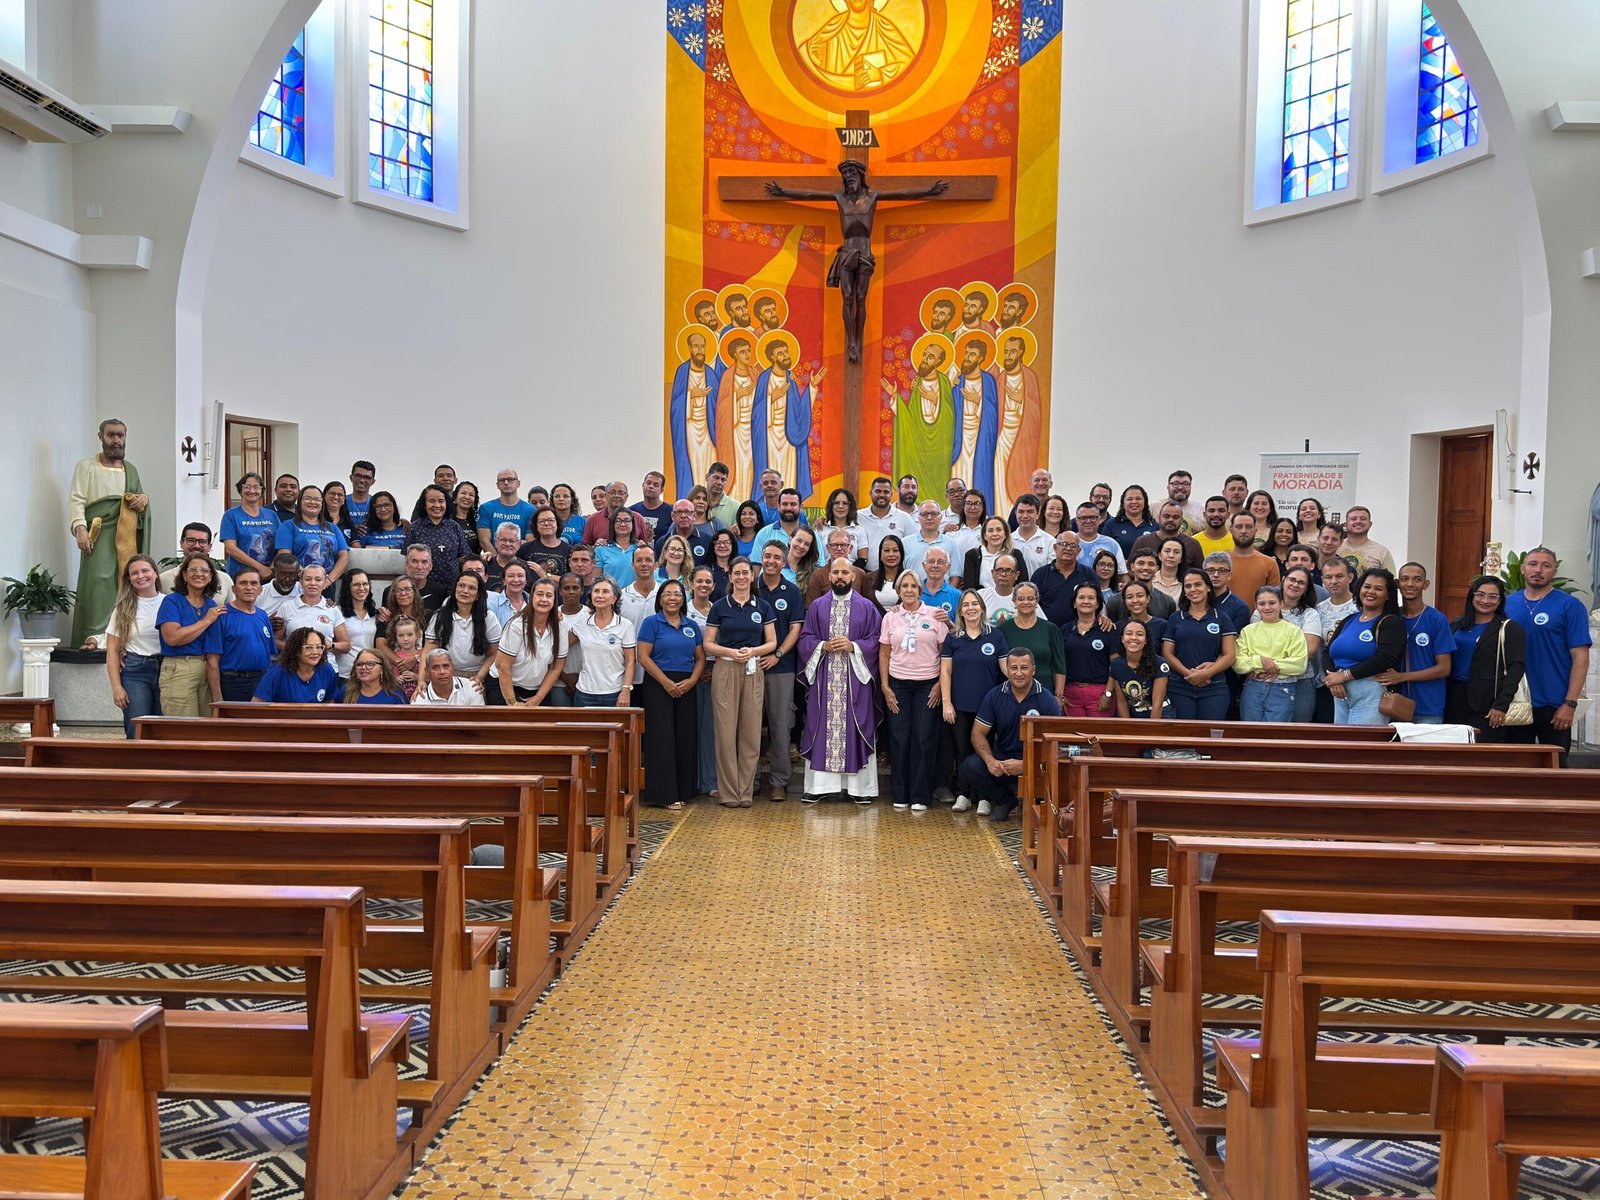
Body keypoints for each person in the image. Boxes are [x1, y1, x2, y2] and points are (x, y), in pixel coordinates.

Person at [796, 559, 884, 805]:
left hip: (856, 679)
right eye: (835, 572)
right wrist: (822, 645)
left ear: (853, 576)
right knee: (820, 725)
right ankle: (819, 787)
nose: (840, 576)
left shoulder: (867, 607)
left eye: (845, 572)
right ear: (829, 576)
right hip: (824, 679)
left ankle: (860, 789)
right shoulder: (817, 607)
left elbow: (877, 640)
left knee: (857, 725)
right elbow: (805, 639)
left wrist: (854, 646)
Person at [1505, 546, 1592, 763]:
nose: (1538, 570)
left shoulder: (1570, 605)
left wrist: (1570, 703)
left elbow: (1580, 657)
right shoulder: (1507, 603)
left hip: (1554, 703)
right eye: (1533, 564)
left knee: (1555, 768)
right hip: (1514, 701)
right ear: (1523, 569)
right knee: (1514, 768)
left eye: (1546, 565)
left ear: (1554, 572)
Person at [69, 418, 151, 647]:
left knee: (125, 581)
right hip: (99, 533)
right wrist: (79, 527)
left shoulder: (130, 469)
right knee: (98, 581)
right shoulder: (86, 466)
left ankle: (120, 635)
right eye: (111, 435)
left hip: (127, 536)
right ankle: (94, 635)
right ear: (101, 437)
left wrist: (143, 500)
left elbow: (139, 498)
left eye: (120, 435)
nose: (116, 440)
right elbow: (77, 499)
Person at [705, 558, 777, 807]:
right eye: (737, 573)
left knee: (751, 732)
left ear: (752, 575)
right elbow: (708, 643)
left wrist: (753, 651)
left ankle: (745, 792)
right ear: (730, 576)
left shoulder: (763, 606)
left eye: (745, 573)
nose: (741, 577)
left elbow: (772, 642)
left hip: (752, 668)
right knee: (725, 733)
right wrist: (731, 652)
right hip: (726, 667)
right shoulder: (719, 606)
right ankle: (728, 793)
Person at [961, 649, 1062, 819]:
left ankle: (1034, 801)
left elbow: (1057, 744)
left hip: (1036, 762)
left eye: (1024, 668)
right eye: (1014, 668)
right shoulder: (994, 695)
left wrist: (1026, 764)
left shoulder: (1047, 700)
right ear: (1007, 670)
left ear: (1034, 670)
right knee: (971, 766)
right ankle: (1006, 800)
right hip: (1003, 762)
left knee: (1056, 770)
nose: (1019, 673)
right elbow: (977, 733)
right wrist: (990, 760)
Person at [879, 570, 947, 812]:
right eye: (904, 586)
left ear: (921, 590)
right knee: (899, 739)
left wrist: (940, 685)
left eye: (913, 586)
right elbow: (884, 653)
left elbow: (945, 654)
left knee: (923, 738)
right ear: (898, 591)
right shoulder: (890, 617)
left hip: (928, 685)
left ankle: (920, 795)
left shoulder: (934, 615)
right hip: (898, 684)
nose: (909, 590)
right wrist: (885, 686)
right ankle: (900, 793)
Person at [637, 580, 706, 809]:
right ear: (660, 599)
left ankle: (684, 790)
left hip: (686, 685)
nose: (672, 598)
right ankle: (664, 794)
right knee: (662, 737)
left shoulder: (691, 625)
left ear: (683, 599)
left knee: (685, 736)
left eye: (677, 594)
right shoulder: (651, 623)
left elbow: (700, 658)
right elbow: (643, 656)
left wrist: (693, 680)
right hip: (658, 684)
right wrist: (665, 682)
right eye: (667, 594)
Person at [940, 590, 1008, 810]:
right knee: (962, 751)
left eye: (975, 604)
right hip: (959, 705)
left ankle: (985, 797)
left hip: (987, 708)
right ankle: (963, 794)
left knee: (985, 751)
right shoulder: (953, 638)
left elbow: (1006, 669)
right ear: (960, 611)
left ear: (982, 608)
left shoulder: (995, 636)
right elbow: (946, 672)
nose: (971, 608)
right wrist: (947, 703)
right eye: (966, 605)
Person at [1446, 575, 1527, 740]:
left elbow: (1516, 668)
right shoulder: (1456, 624)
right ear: (1472, 596)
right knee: (1452, 749)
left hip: (1487, 703)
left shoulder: (1509, 628)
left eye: (1492, 596)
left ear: (1500, 601)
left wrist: (1501, 705)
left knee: (1481, 751)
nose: (1485, 600)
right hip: (1453, 697)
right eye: (1480, 594)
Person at [1323, 567, 1405, 725]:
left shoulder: (1390, 622)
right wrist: (1333, 679)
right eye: (1367, 586)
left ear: (1388, 595)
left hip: (1371, 694)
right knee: (1340, 740)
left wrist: (1345, 676)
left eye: (1378, 589)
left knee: (1362, 740)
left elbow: (1384, 659)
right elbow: (1326, 653)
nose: (1371, 592)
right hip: (1340, 694)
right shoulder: (1349, 620)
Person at [1377, 562, 1456, 724]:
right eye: (1404, 579)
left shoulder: (1437, 619)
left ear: (1425, 584)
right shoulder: (1390, 618)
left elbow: (1444, 668)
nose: (1410, 584)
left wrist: (1401, 677)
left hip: (1428, 707)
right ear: (1397, 584)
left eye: (1417, 579)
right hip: (1393, 703)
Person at [755, 544, 804, 801]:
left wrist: (778, 654)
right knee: (750, 726)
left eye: (777, 557)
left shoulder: (792, 591)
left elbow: (795, 629)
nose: (771, 561)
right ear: (761, 558)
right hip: (750, 666)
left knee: (781, 724)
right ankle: (750, 780)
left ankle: (779, 781)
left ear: (784, 562)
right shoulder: (750, 586)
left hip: (781, 667)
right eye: (767, 556)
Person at [1162, 568, 1238, 720]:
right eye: (1188, 586)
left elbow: (1229, 655)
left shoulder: (1222, 618)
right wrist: (1189, 674)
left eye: (1198, 584)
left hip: (1214, 687)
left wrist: (1207, 674)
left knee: (1211, 732)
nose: (1193, 589)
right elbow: (1167, 653)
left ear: (1208, 587)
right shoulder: (1175, 618)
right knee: (1183, 732)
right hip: (1180, 686)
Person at [156, 552, 224, 716]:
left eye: (204, 570)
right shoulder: (172, 601)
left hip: (205, 670)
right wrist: (206, 621)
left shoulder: (211, 604)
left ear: (211, 577)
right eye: (193, 570)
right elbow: (172, 638)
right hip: (179, 668)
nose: (199, 574)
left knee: (205, 725)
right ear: (184, 576)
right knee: (183, 726)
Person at [104, 554, 164, 737]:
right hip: (136, 671)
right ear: (129, 579)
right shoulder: (123, 608)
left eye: (145, 570)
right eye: (134, 573)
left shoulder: (170, 602)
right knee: (137, 729)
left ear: (155, 573)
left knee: (164, 729)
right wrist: (116, 687)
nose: (140, 576)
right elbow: (112, 650)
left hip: (168, 669)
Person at [1233, 586, 1307, 722]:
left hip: (1282, 689)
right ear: (1256, 606)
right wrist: (1260, 661)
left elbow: (1299, 665)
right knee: (1250, 732)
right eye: (1262, 604)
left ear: (1281, 604)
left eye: (1272, 603)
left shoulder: (1294, 631)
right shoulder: (1247, 631)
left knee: (1275, 733)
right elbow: (1238, 664)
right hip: (1253, 688)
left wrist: (1266, 665)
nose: (1267, 607)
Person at [424, 571, 501, 694]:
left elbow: (494, 653)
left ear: (478, 594)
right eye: (461, 585)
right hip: (446, 673)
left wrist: (479, 677)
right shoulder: (440, 616)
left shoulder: (488, 617)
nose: (465, 591)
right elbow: (428, 650)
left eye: (471, 588)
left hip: (478, 675)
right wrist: (421, 680)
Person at [495, 578, 569, 706]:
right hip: (504, 685)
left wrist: (538, 698)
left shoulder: (561, 626)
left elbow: (556, 667)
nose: (544, 599)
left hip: (538, 689)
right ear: (531, 598)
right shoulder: (516, 626)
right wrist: (512, 703)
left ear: (555, 600)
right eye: (539, 594)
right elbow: (503, 667)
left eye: (549, 595)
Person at [569, 578, 637, 707]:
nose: (599, 595)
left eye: (605, 591)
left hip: (615, 693)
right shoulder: (582, 623)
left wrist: (626, 690)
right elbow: (561, 645)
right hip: (585, 693)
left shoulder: (625, 625)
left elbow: (631, 661)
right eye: (596, 591)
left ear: (614, 598)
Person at [1270, 567, 1325, 722]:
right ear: (1283, 580)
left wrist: (1270, 663)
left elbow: (1310, 650)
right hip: (1267, 679)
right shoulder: (1266, 608)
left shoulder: (1310, 614)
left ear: (1306, 589)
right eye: (1292, 580)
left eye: (1301, 583)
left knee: (1298, 730)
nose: (1295, 584)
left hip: (1301, 682)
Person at [998, 581, 1067, 701]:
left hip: (1045, 693)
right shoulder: (1003, 630)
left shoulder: (1050, 629)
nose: (1026, 602)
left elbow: (1059, 666)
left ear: (1037, 601)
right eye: (1021, 599)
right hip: (1011, 695)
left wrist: (1058, 696)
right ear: (1014, 602)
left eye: (1030, 598)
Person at [216, 566, 276, 703]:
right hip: (233, 683)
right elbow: (212, 660)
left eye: (254, 583)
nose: (249, 587)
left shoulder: (263, 615)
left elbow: (269, 654)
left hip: (262, 682)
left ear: (260, 589)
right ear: (234, 589)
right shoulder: (222, 615)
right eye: (243, 583)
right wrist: (217, 698)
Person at [685, 566, 720, 795]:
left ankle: (709, 782)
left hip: (714, 672)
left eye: (708, 582)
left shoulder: (718, 610)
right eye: (699, 581)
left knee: (710, 730)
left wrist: (715, 667)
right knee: (690, 728)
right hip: (688, 673)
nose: (704, 585)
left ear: (714, 586)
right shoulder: (684, 610)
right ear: (691, 583)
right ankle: (691, 780)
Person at [1054, 582, 1114, 716]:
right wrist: (1059, 694)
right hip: (1070, 694)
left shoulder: (1107, 629)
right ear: (1074, 603)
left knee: (1099, 730)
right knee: (1073, 730)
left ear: (1097, 604)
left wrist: (1108, 694)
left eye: (1091, 598)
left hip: (1100, 693)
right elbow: (1059, 665)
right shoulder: (1064, 630)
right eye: (1081, 597)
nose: (1086, 601)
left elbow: (1115, 665)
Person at [1312, 554, 1359, 722]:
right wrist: (1331, 678)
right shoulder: (1318, 610)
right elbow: (1320, 649)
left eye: (1339, 576)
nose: (1334, 581)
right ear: (1322, 580)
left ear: (1350, 578)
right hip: (1325, 681)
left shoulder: (1360, 608)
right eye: (1328, 577)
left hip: (1356, 679)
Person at [273, 485, 350, 582]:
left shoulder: (332, 528)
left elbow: (344, 557)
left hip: (327, 583)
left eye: (317, 499)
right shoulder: (288, 526)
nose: (312, 502)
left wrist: (328, 580)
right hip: (298, 582)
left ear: (322, 503)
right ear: (300, 501)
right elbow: (285, 555)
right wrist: (308, 579)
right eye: (308, 498)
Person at [407, 487, 471, 595]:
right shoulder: (415, 528)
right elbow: (408, 560)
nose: (437, 505)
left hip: (452, 587)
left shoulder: (454, 526)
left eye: (441, 501)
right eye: (432, 501)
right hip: (424, 588)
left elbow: (464, 556)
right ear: (424, 504)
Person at [277, 563, 349, 655]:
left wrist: (331, 645)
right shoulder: (286, 607)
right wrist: (294, 648)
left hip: (325, 662)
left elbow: (346, 646)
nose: (313, 583)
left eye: (318, 579)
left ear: (325, 582)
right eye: (308, 579)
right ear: (301, 582)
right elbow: (275, 640)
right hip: (294, 662)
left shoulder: (332, 609)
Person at [252, 627, 338, 703]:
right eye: (308, 647)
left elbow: (329, 702)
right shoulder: (278, 672)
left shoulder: (327, 670)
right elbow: (257, 704)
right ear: (296, 650)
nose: (315, 652)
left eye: (319, 647)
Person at [219, 472, 280, 579]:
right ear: (240, 490)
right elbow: (230, 548)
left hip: (270, 575)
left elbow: (282, 543)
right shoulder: (231, 515)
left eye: (256, 487)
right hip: (241, 576)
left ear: (261, 491)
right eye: (247, 487)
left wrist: (272, 567)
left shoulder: (272, 515)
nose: (252, 491)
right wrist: (260, 568)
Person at [156, 523, 233, 606]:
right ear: (181, 543)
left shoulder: (224, 580)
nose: (197, 546)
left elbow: (234, 610)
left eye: (202, 542)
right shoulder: (163, 580)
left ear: (209, 546)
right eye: (191, 540)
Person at [1109, 620, 1171, 719]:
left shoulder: (1159, 663)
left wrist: (1152, 727)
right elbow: (1121, 701)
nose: (1133, 638)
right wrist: (1127, 726)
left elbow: (1157, 704)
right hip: (1135, 713)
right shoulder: (1116, 664)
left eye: (1140, 634)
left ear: (1146, 640)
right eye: (1129, 633)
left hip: (1160, 714)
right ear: (1122, 638)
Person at [856, 476, 916, 573]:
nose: (882, 495)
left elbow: (912, 548)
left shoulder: (904, 518)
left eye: (886, 492)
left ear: (891, 495)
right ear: (870, 493)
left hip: (895, 575)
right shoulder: (858, 517)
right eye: (878, 491)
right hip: (865, 574)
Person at [333, 569, 379, 683]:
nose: (362, 588)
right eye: (356, 585)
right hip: (345, 675)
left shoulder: (375, 614)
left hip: (369, 673)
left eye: (365, 584)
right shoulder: (336, 611)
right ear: (347, 588)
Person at [1226, 513, 1281, 608]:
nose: (1243, 531)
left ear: (1255, 530)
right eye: (1238, 527)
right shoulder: (1221, 563)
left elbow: (1274, 599)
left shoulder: (1269, 564)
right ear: (1231, 531)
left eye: (1248, 527)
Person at [962, 516, 1029, 592]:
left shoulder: (1016, 555)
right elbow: (969, 588)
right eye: (990, 530)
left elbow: (1023, 584)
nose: (995, 534)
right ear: (984, 536)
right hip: (981, 598)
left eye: (999, 530)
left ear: (1005, 534)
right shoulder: (972, 556)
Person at [1132, 502, 1204, 573]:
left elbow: (1200, 573)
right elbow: (1131, 569)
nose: (1170, 520)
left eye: (1175, 517)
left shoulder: (1192, 544)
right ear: (1159, 518)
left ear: (1182, 520)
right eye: (1166, 516)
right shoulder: (1143, 541)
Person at [806, 528, 871, 604]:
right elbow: (811, 607)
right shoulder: (818, 575)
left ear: (850, 548)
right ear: (828, 548)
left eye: (843, 545)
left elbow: (865, 605)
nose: (839, 549)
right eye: (834, 545)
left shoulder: (860, 574)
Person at [478, 468, 535, 552]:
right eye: (502, 480)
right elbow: (484, 541)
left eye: (510, 479)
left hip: (521, 558)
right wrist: (497, 559)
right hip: (494, 558)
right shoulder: (486, 508)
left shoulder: (530, 510)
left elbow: (530, 541)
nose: (506, 482)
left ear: (518, 483)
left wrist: (516, 560)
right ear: (497, 485)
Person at [903, 501, 962, 582]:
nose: (929, 518)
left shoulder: (951, 544)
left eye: (934, 514)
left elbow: (955, 576)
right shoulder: (905, 543)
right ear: (918, 518)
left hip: (943, 590)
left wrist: (947, 591)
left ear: (941, 517)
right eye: (924, 514)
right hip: (912, 589)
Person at [411, 647, 486, 707]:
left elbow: (478, 719)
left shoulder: (472, 687)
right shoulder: (419, 700)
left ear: (452, 667)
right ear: (427, 671)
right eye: (435, 668)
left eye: (446, 666)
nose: (442, 672)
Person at [583, 480, 652, 545]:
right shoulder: (593, 519)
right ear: (606, 496)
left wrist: (642, 545)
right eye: (612, 492)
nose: (616, 495)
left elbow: (645, 546)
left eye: (621, 493)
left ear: (626, 496)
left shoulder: (638, 518)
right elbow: (585, 548)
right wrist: (596, 546)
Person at [1107, 557, 1176, 621]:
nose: (1145, 567)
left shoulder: (1167, 602)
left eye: (1151, 564)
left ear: (1156, 569)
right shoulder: (1114, 601)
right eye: (1141, 563)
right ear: (1132, 567)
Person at [594, 507, 645, 588]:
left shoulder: (641, 549)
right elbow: (596, 582)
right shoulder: (601, 549)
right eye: (618, 521)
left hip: (635, 595)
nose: (622, 524)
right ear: (612, 524)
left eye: (627, 521)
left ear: (633, 524)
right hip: (610, 595)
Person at [1072, 504, 1126, 580]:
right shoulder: (1069, 542)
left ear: (1099, 519)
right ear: (1076, 520)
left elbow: (1122, 574)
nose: (1088, 521)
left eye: (1092, 517)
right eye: (1083, 518)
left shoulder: (1112, 544)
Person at [1337, 506, 1395, 573]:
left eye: (1363, 519)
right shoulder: (1336, 547)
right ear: (1346, 524)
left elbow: (1391, 578)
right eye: (1353, 519)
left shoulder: (1381, 552)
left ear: (1370, 524)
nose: (1358, 521)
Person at [1104, 486, 1157, 557]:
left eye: (1138, 499)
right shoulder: (1112, 524)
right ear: (1123, 503)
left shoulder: (1154, 527)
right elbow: (1104, 551)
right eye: (1129, 499)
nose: (1134, 502)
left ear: (1145, 502)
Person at [978, 551, 1025, 624]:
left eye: (1009, 571)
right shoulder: (980, 596)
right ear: (993, 573)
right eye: (1000, 570)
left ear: (1016, 575)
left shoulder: (1025, 598)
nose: (1003, 574)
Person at [630, 470, 674, 542]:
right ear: (643, 485)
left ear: (661, 490)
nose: (651, 486)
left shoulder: (671, 512)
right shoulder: (632, 511)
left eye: (656, 485)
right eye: (648, 483)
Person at [387, 616, 424, 700]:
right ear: (395, 637)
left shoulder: (423, 655)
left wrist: (417, 677)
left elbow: (430, 678)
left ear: (417, 635)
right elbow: (386, 680)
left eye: (410, 634)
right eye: (401, 635)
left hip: (419, 698)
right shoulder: (392, 657)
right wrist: (395, 680)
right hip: (398, 698)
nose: (405, 639)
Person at [920, 548, 961, 621]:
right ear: (924, 565)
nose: (935, 565)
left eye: (940, 562)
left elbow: (962, 627)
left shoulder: (957, 595)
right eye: (931, 561)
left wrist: (948, 622)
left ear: (948, 567)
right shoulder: (914, 591)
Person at [870, 535, 909, 610]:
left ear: (901, 554)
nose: (891, 554)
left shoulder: (909, 578)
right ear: (880, 554)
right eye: (886, 550)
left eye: (895, 550)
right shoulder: (868, 578)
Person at [1150, 537, 1188, 604]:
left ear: (1181, 558)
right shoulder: (1150, 580)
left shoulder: (1187, 581)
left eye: (1176, 552)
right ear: (1159, 555)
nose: (1171, 555)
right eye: (1167, 551)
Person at [345, 461, 377, 539]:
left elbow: (389, 522)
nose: (362, 480)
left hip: (371, 544)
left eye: (367, 477)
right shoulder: (341, 501)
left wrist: (402, 521)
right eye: (358, 476)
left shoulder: (377, 503)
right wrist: (352, 528)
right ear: (351, 478)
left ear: (372, 482)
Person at [784, 526, 819, 596]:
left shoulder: (813, 573)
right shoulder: (775, 564)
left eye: (807, 544)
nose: (801, 546)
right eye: (799, 540)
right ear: (790, 540)